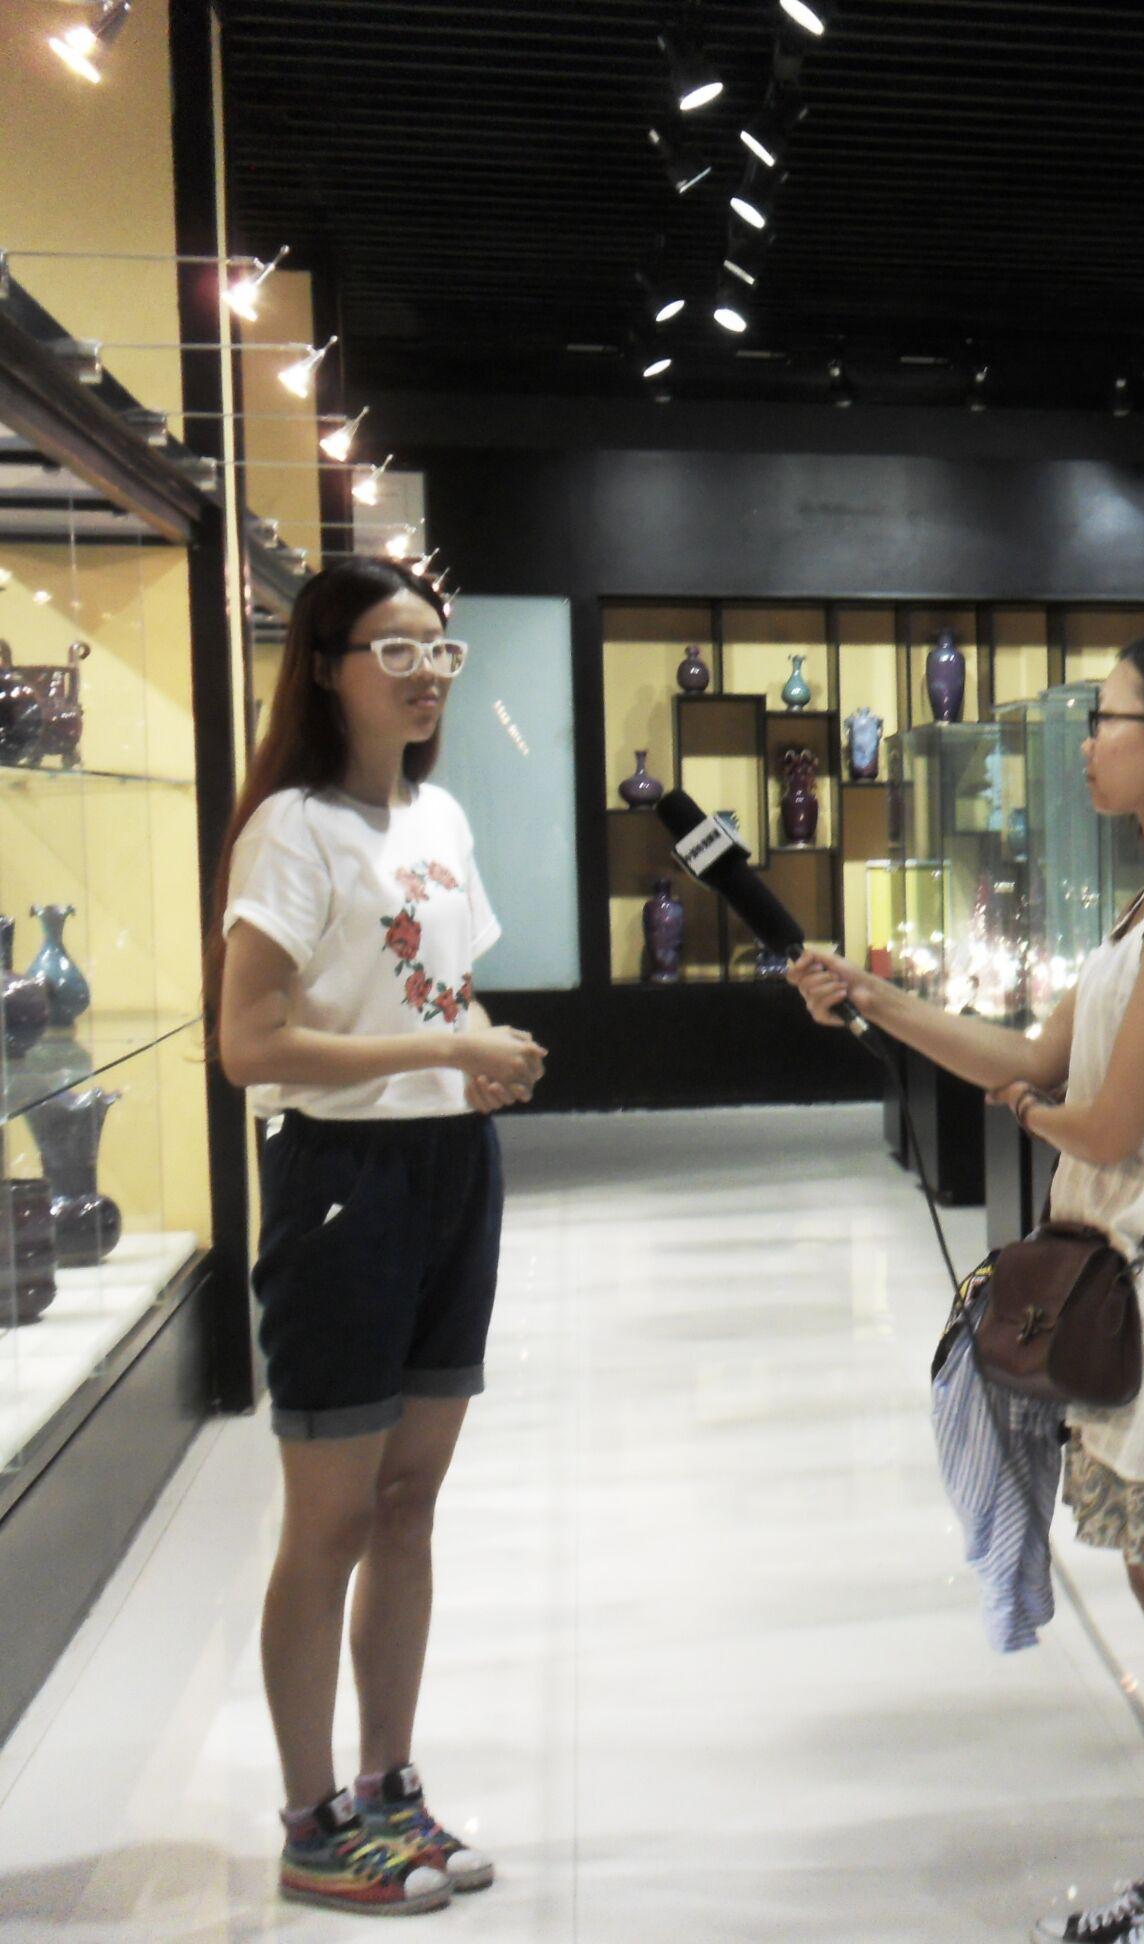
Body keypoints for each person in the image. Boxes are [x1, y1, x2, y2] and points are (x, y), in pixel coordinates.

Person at [792, 630, 1144, 1944]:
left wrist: (1035, 1112)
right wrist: (873, 999)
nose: (1089, 743)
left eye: (1109, 718)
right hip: (1136, 1297)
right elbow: (1031, 1056)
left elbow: (1105, 1121)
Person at [210, 559, 548, 1917]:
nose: (424, 675)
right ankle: (311, 1821)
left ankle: (388, 1784)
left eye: (439, 651)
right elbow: (249, 1044)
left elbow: (437, 992)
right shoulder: (290, 830)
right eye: (394, 651)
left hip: (450, 1167)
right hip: (340, 1179)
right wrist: (443, 1050)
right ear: (326, 667)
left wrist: (478, 1059)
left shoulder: (439, 814)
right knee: (332, 1517)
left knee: (410, 1504)